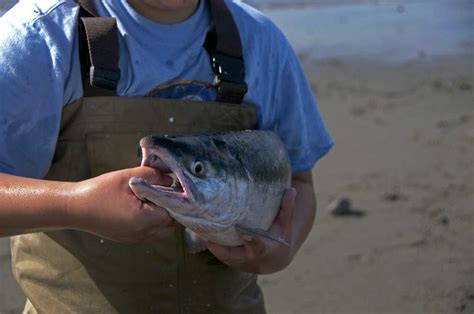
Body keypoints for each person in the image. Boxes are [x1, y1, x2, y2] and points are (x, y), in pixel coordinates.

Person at [0, 0, 333, 313]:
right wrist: (76, 206)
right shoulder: (39, 38)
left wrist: (280, 249)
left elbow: (298, 179)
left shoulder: (261, 42)